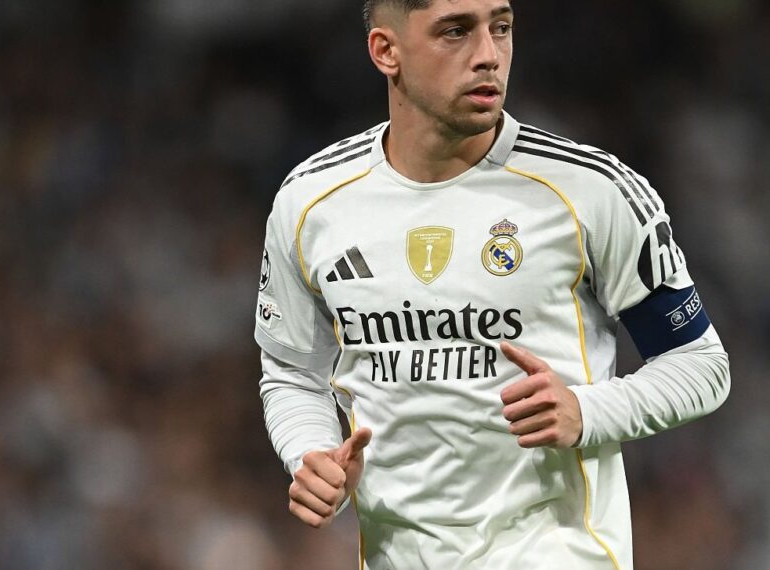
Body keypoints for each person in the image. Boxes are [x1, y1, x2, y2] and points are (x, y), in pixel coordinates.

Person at [254, 1, 731, 567]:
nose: (488, 55)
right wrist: (312, 455)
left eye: (500, 28)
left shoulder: (592, 191)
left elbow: (702, 364)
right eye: (455, 32)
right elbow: (292, 372)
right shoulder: (312, 203)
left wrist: (589, 411)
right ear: (386, 51)